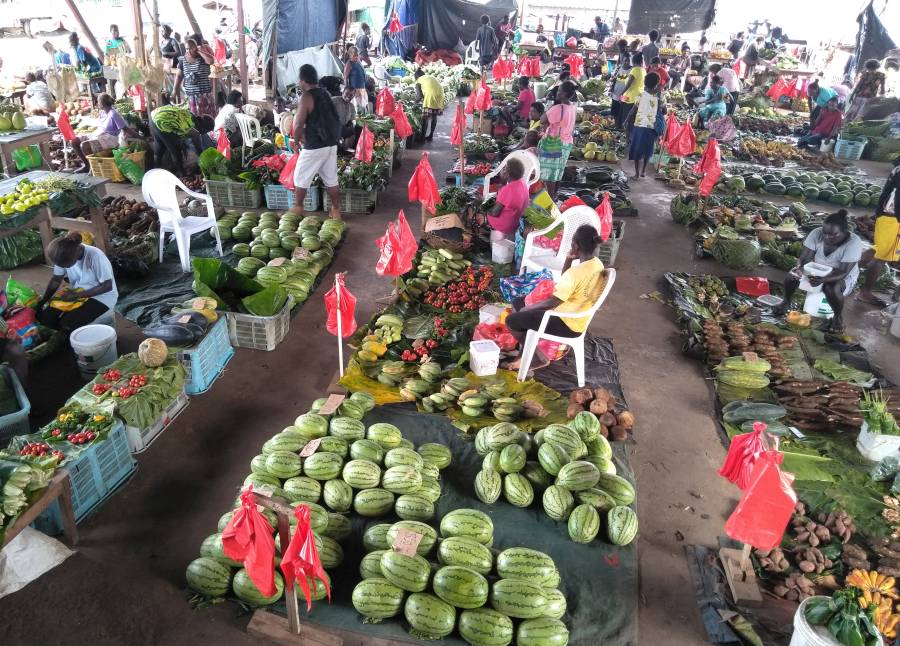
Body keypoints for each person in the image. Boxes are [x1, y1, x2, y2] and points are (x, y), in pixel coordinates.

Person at [505, 225, 607, 372]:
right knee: (518, 302)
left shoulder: (576, 273)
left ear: (575, 245)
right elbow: (565, 281)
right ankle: (525, 350)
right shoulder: (597, 263)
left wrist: (530, 308)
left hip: (566, 323)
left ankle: (538, 356)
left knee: (511, 321)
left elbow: (554, 301)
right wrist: (568, 260)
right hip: (576, 316)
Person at [775, 211, 864, 333]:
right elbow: (805, 258)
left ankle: (838, 317)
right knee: (793, 275)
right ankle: (786, 302)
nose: (827, 237)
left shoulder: (853, 243)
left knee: (831, 287)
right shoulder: (816, 233)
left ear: (844, 232)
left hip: (842, 276)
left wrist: (823, 279)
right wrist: (800, 268)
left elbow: (843, 271)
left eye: (833, 234)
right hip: (816, 270)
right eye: (825, 233)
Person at [37, 232, 118, 333]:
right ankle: (65, 339)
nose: (64, 268)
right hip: (77, 292)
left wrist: (76, 295)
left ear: (75, 254)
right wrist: (44, 300)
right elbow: (56, 280)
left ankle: (73, 341)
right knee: (46, 318)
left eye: (66, 265)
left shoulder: (95, 256)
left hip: (102, 297)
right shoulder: (62, 254)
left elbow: (107, 286)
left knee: (67, 324)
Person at [291, 64, 342, 220]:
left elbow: (298, 123)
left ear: (302, 80)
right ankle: (335, 210)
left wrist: (296, 140)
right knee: (331, 178)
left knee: (300, 176)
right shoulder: (324, 93)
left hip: (314, 145)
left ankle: (298, 207)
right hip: (330, 144)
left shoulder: (306, 97)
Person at [859, 156, 900, 307]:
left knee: (879, 249)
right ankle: (865, 293)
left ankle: (846, 271)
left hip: (887, 216)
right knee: (882, 256)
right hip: (894, 218)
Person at [72, 93, 139, 171]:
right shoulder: (102, 113)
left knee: (84, 145)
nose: (97, 104)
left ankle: (92, 168)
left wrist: (141, 137)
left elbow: (126, 129)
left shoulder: (114, 114)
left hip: (110, 139)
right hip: (98, 135)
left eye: (98, 102)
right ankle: (86, 165)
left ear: (101, 103)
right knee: (74, 142)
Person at [537, 80, 577, 198]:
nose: (557, 93)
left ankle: (550, 199)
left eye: (559, 91)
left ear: (564, 94)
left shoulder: (559, 108)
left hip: (554, 143)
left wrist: (549, 109)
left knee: (550, 174)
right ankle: (554, 194)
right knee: (558, 171)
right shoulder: (572, 107)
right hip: (566, 143)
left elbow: (542, 120)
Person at [626, 72, 663, 179]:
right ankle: (643, 172)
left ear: (645, 84)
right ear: (657, 84)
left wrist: (626, 121)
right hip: (652, 127)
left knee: (637, 150)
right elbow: (663, 110)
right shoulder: (660, 97)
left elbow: (633, 110)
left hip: (639, 126)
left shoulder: (641, 95)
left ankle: (637, 174)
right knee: (648, 149)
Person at [487, 158, 529, 240]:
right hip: (514, 223)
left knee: (482, 205)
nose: (501, 171)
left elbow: (494, 213)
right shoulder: (522, 183)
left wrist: (484, 204)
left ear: (507, 174)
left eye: (503, 169)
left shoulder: (508, 189)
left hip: (503, 227)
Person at [175, 37, 216, 118]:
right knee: (195, 119)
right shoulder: (182, 60)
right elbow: (179, 76)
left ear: (196, 48)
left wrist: (199, 51)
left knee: (208, 118)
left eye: (191, 49)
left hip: (205, 95)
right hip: (191, 96)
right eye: (187, 49)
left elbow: (211, 61)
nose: (188, 51)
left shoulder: (203, 58)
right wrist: (175, 90)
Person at [321, 76, 357, 147]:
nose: (348, 96)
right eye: (346, 93)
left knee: (355, 130)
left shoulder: (351, 106)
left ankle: (346, 149)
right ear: (343, 92)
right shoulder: (334, 101)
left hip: (342, 128)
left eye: (351, 95)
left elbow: (351, 120)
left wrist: (351, 126)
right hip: (331, 128)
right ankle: (340, 147)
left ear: (353, 96)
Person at [414, 68, 444, 142]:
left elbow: (419, 96)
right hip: (440, 95)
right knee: (434, 116)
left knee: (425, 118)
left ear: (416, 77)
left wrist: (414, 104)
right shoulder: (430, 77)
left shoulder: (418, 81)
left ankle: (422, 138)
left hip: (430, 96)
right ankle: (431, 136)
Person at [609, 43, 633, 129]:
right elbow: (614, 79)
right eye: (625, 60)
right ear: (622, 60)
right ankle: (616, 127)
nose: (626, 62)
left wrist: (622, 94)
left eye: (628, 60)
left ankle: (621, 128)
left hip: (625, 95)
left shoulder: (632, 70)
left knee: (622, 112)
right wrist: (611, 89)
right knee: (615, 112)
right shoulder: (619, 68)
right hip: (616, 93)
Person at [105, 24, 131, 98]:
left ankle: (125, 96)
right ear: (111, 32)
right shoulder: (109, 42)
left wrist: (124, 49)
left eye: (117, 31)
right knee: (113, 86)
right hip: (113, 66)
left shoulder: (122, 40)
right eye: (114, 31)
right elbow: (107, 54)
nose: (116, 33)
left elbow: (129, 51)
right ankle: (115, 98)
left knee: (124, 84)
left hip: (122, 65)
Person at [618, 52, 646, 121]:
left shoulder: (635, 70)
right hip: (639, 97)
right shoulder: (643, 70)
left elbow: (629, 84)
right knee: (634, 118)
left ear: (633, 61)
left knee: (627, 119)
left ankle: (626, 130)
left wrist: (621, 94)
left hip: (630, 98)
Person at [343, 46, 368, 113]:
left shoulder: (358, 61)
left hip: (362, 88)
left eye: (357, 55)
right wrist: (348, 90)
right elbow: (345, 77)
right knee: (357, 109)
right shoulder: (349, 63)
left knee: (363, 107)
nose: (356, 57)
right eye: (354, 55)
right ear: (350, 55)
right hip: (355, 90)